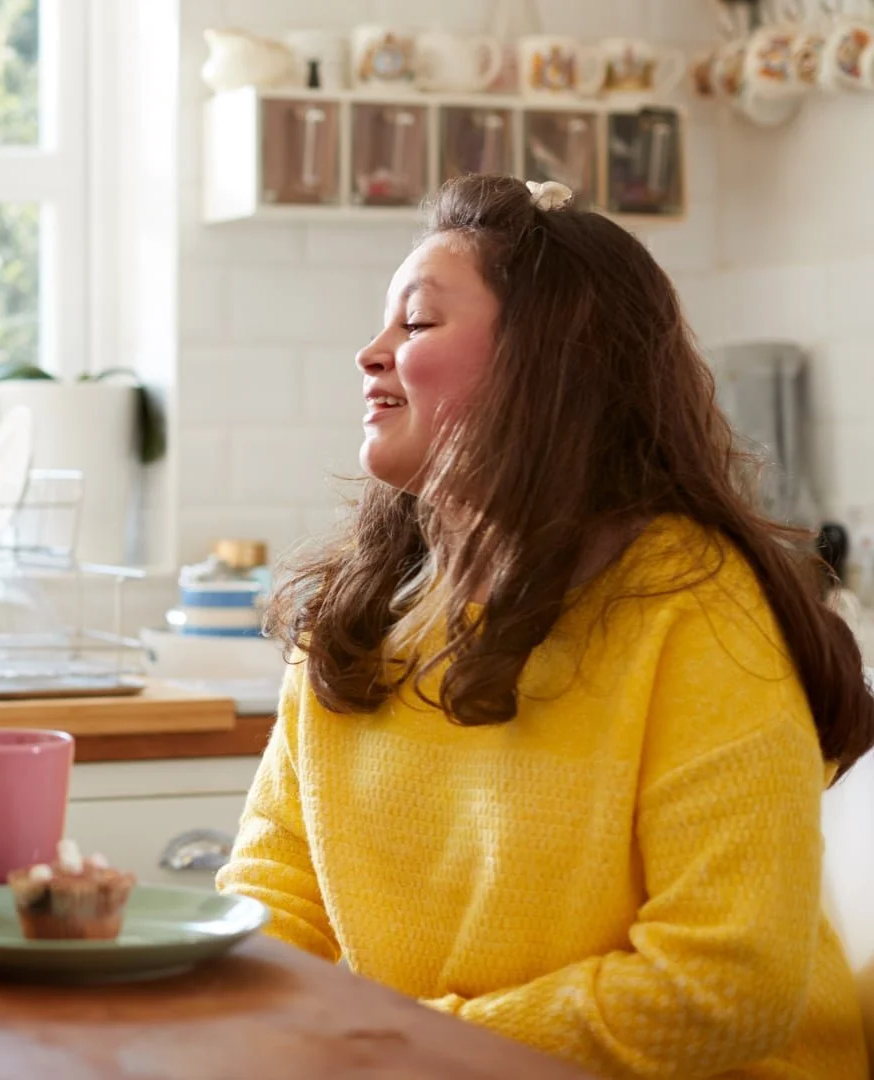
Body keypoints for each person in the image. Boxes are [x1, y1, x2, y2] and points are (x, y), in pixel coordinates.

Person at [218, 173, 872, 1076]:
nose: (371, 354)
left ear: (547, 360)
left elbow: (726, 984)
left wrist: (402, 1044)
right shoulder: (364, 611)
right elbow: (274, 892)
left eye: (414, 323)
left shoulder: (694, 609)